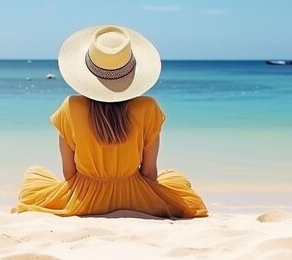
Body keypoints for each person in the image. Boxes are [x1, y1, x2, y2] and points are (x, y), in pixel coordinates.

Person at [12, 25, 208, 218]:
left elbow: (69, 172)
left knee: (33, 175)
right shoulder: (148, 107)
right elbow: (149, 172)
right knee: (176, 178)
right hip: (133, 197)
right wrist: (147, 196)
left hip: (85, 199)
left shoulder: (72, 106)